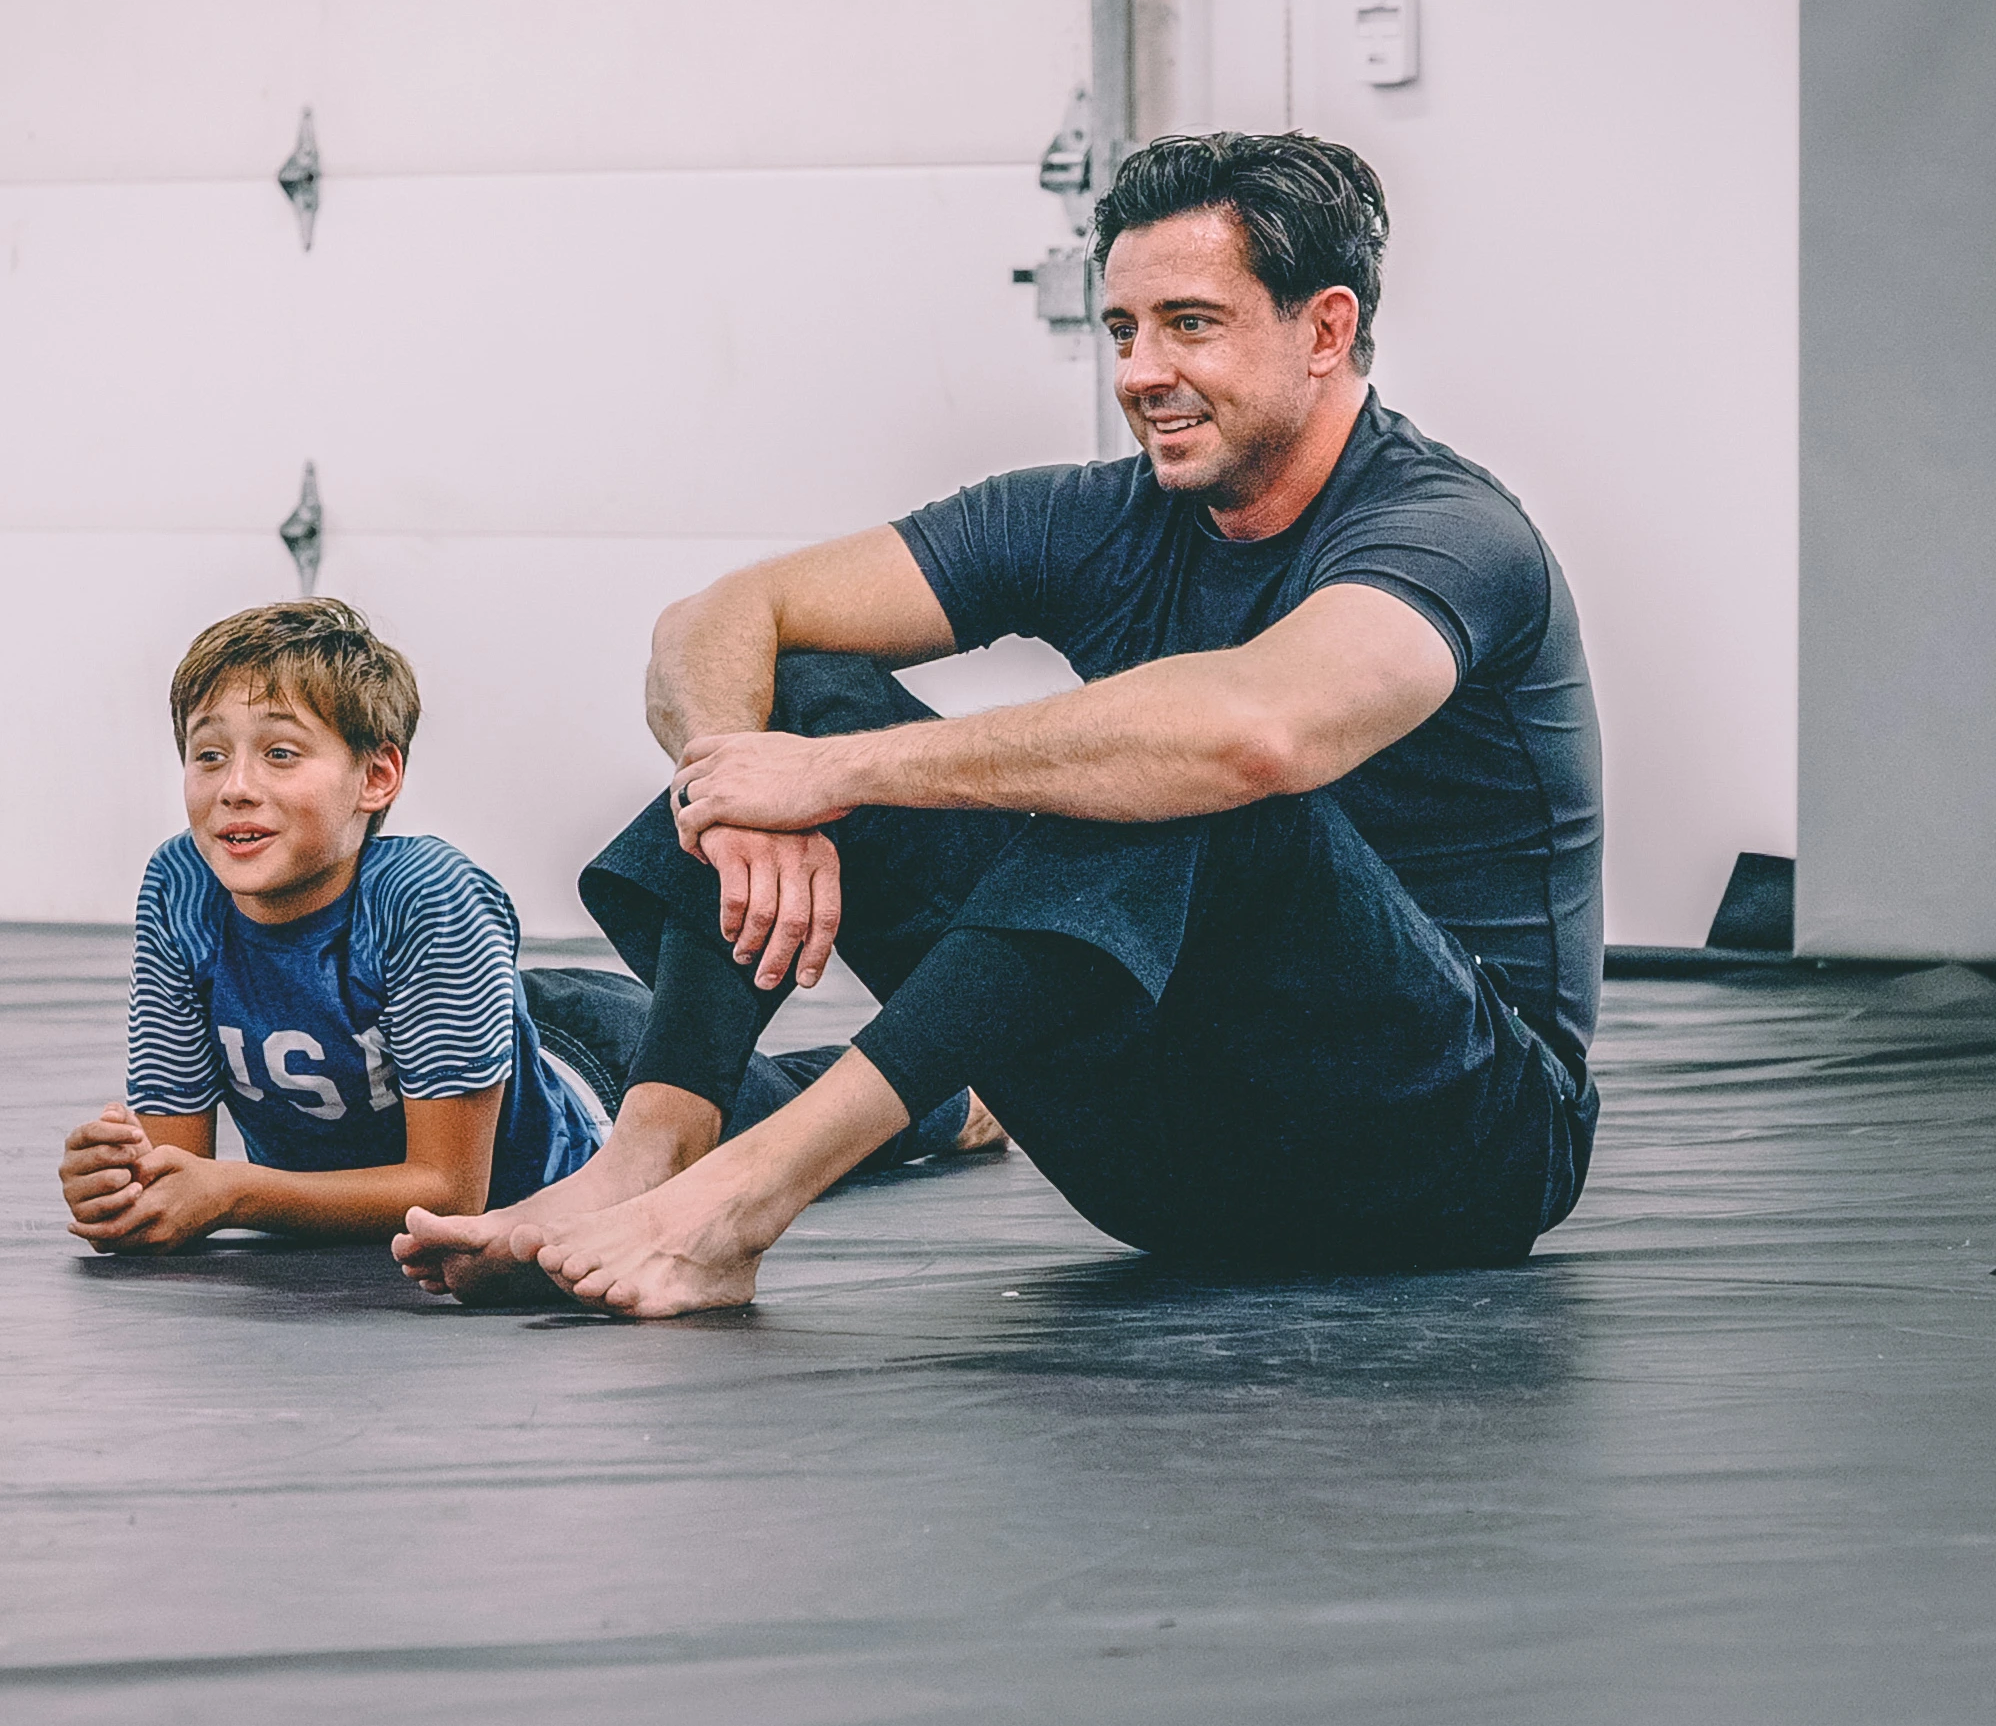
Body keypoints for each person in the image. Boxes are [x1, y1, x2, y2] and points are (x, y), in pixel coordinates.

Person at [394, 129, 1601, 1315]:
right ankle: (650, 1155)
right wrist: (752, 791)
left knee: (1174, 763)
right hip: (1169, 1164)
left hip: (1446, 1144)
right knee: (797, 691)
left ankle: (746, 1196)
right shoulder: (1097, 517)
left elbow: (1256, 732)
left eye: (1190, 323)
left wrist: (836, 776)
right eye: (1123, 330)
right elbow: (717, 616)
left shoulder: (1450, 532)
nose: (1139, 371)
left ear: (1325, 329)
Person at [57, 600, 990, 1255]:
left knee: (775, 1109)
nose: (234, 787)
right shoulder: (180, 885)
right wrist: (125, 1182)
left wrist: (234, 1196)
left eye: (281, 753)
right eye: (207, 754)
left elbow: (448, 1193)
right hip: (489, 1026)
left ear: (376, 778)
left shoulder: (424, 894)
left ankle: (964, 1102)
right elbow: (180, 1169)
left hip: (597, 1070)